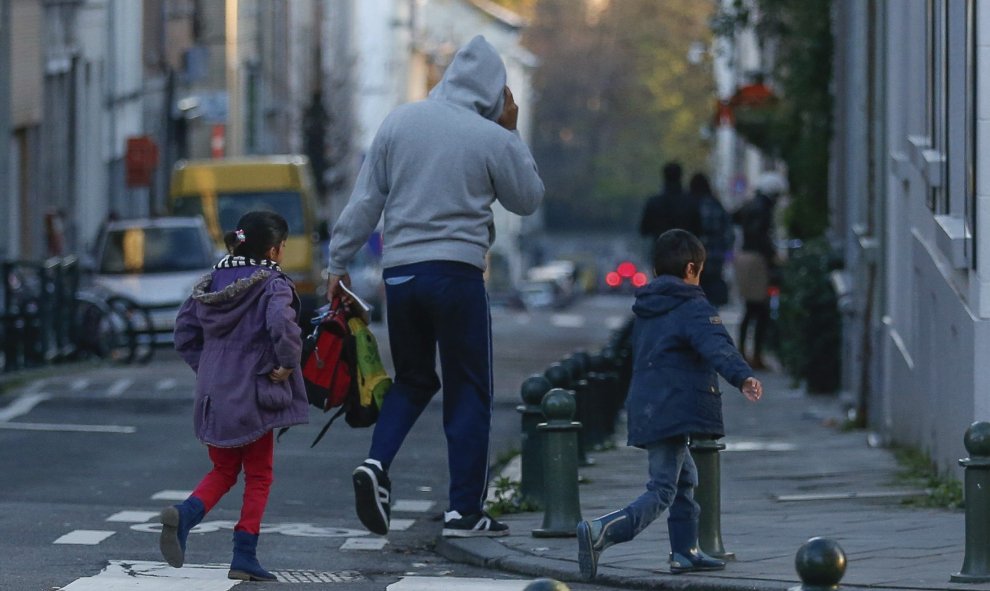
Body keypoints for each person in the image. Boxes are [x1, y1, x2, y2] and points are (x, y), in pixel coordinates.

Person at [325, 35, 544, 538]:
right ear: (494, 92)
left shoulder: (400, 122)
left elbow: (365, 202)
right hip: (456, 274)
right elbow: (527, 198)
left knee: (414, 379)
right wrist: (510, 133)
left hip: (400, 275)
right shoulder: (487, 136)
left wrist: (337, 263)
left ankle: (376, 464)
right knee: (468, 390)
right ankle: (464, 511)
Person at [576, 229, 763, 580]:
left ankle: (684, 551)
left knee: (685, 478)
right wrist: (743, 377)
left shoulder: (647, 307)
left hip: (649, 405)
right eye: (702, 269)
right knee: (663, 487)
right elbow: (717, 346)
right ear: (692, 269)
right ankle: (603, 531)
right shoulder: (692, 306)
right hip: (673, 408)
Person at [166, 210, 310, 582]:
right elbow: (282, 325)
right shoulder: (271, 284)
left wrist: (211, 368)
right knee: (259, 474)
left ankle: (185, 515)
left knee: (224, 469)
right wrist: (287, 363)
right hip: (255, 394)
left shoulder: (211, 281)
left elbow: (183, 333)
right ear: (276, 250)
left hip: (214, 395)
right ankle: (244, 555)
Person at [732, 171, 786, 370]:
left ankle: (743, 351)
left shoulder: (749, 205)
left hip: (745, 257)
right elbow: (760, 235)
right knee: (760, 309)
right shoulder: (763, 209)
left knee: (750, 308)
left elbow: (734, 217)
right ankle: (755, 354)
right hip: (757, 260)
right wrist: (773, 254)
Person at [689, 173, 734, 307]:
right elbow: (729, 234)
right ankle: (710, 321)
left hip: (693, 259)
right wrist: (725, 251)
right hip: (715, 257)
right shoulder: (717, 205)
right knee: (711, 295)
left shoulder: (691, 205)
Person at [639, 161, 703, 245]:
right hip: (683, 252)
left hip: (661, 251)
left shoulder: (654, 202)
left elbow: (644, 230)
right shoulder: (691, 202)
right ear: (680, 176)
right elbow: (698, 230)